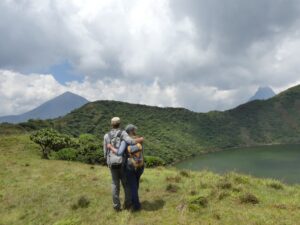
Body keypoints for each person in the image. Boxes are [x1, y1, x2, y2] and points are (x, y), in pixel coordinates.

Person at [103, 117, 144, 211]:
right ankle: (128, 204)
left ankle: (116, 206)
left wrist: (108, 161)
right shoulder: (123, 133)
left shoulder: (106, 136)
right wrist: (141, 139)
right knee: (126, 184)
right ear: (120, 124)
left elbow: (105, 151)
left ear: (111, 124)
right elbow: (131, 141)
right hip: (122, 162)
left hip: (112, 163)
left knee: (114, 184)